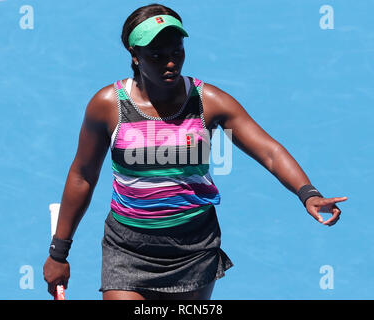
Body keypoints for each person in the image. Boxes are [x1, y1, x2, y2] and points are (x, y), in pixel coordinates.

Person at [43, 3, 348, 300]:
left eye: (176, 52)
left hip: (192, 247)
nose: (170, 63)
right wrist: (59, 252)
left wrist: (308, 193)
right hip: (128, 248)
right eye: (157, 56)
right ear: (134, 56)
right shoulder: (108, 105)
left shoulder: (209, 101)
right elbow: (83, 175)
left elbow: (268, 150)